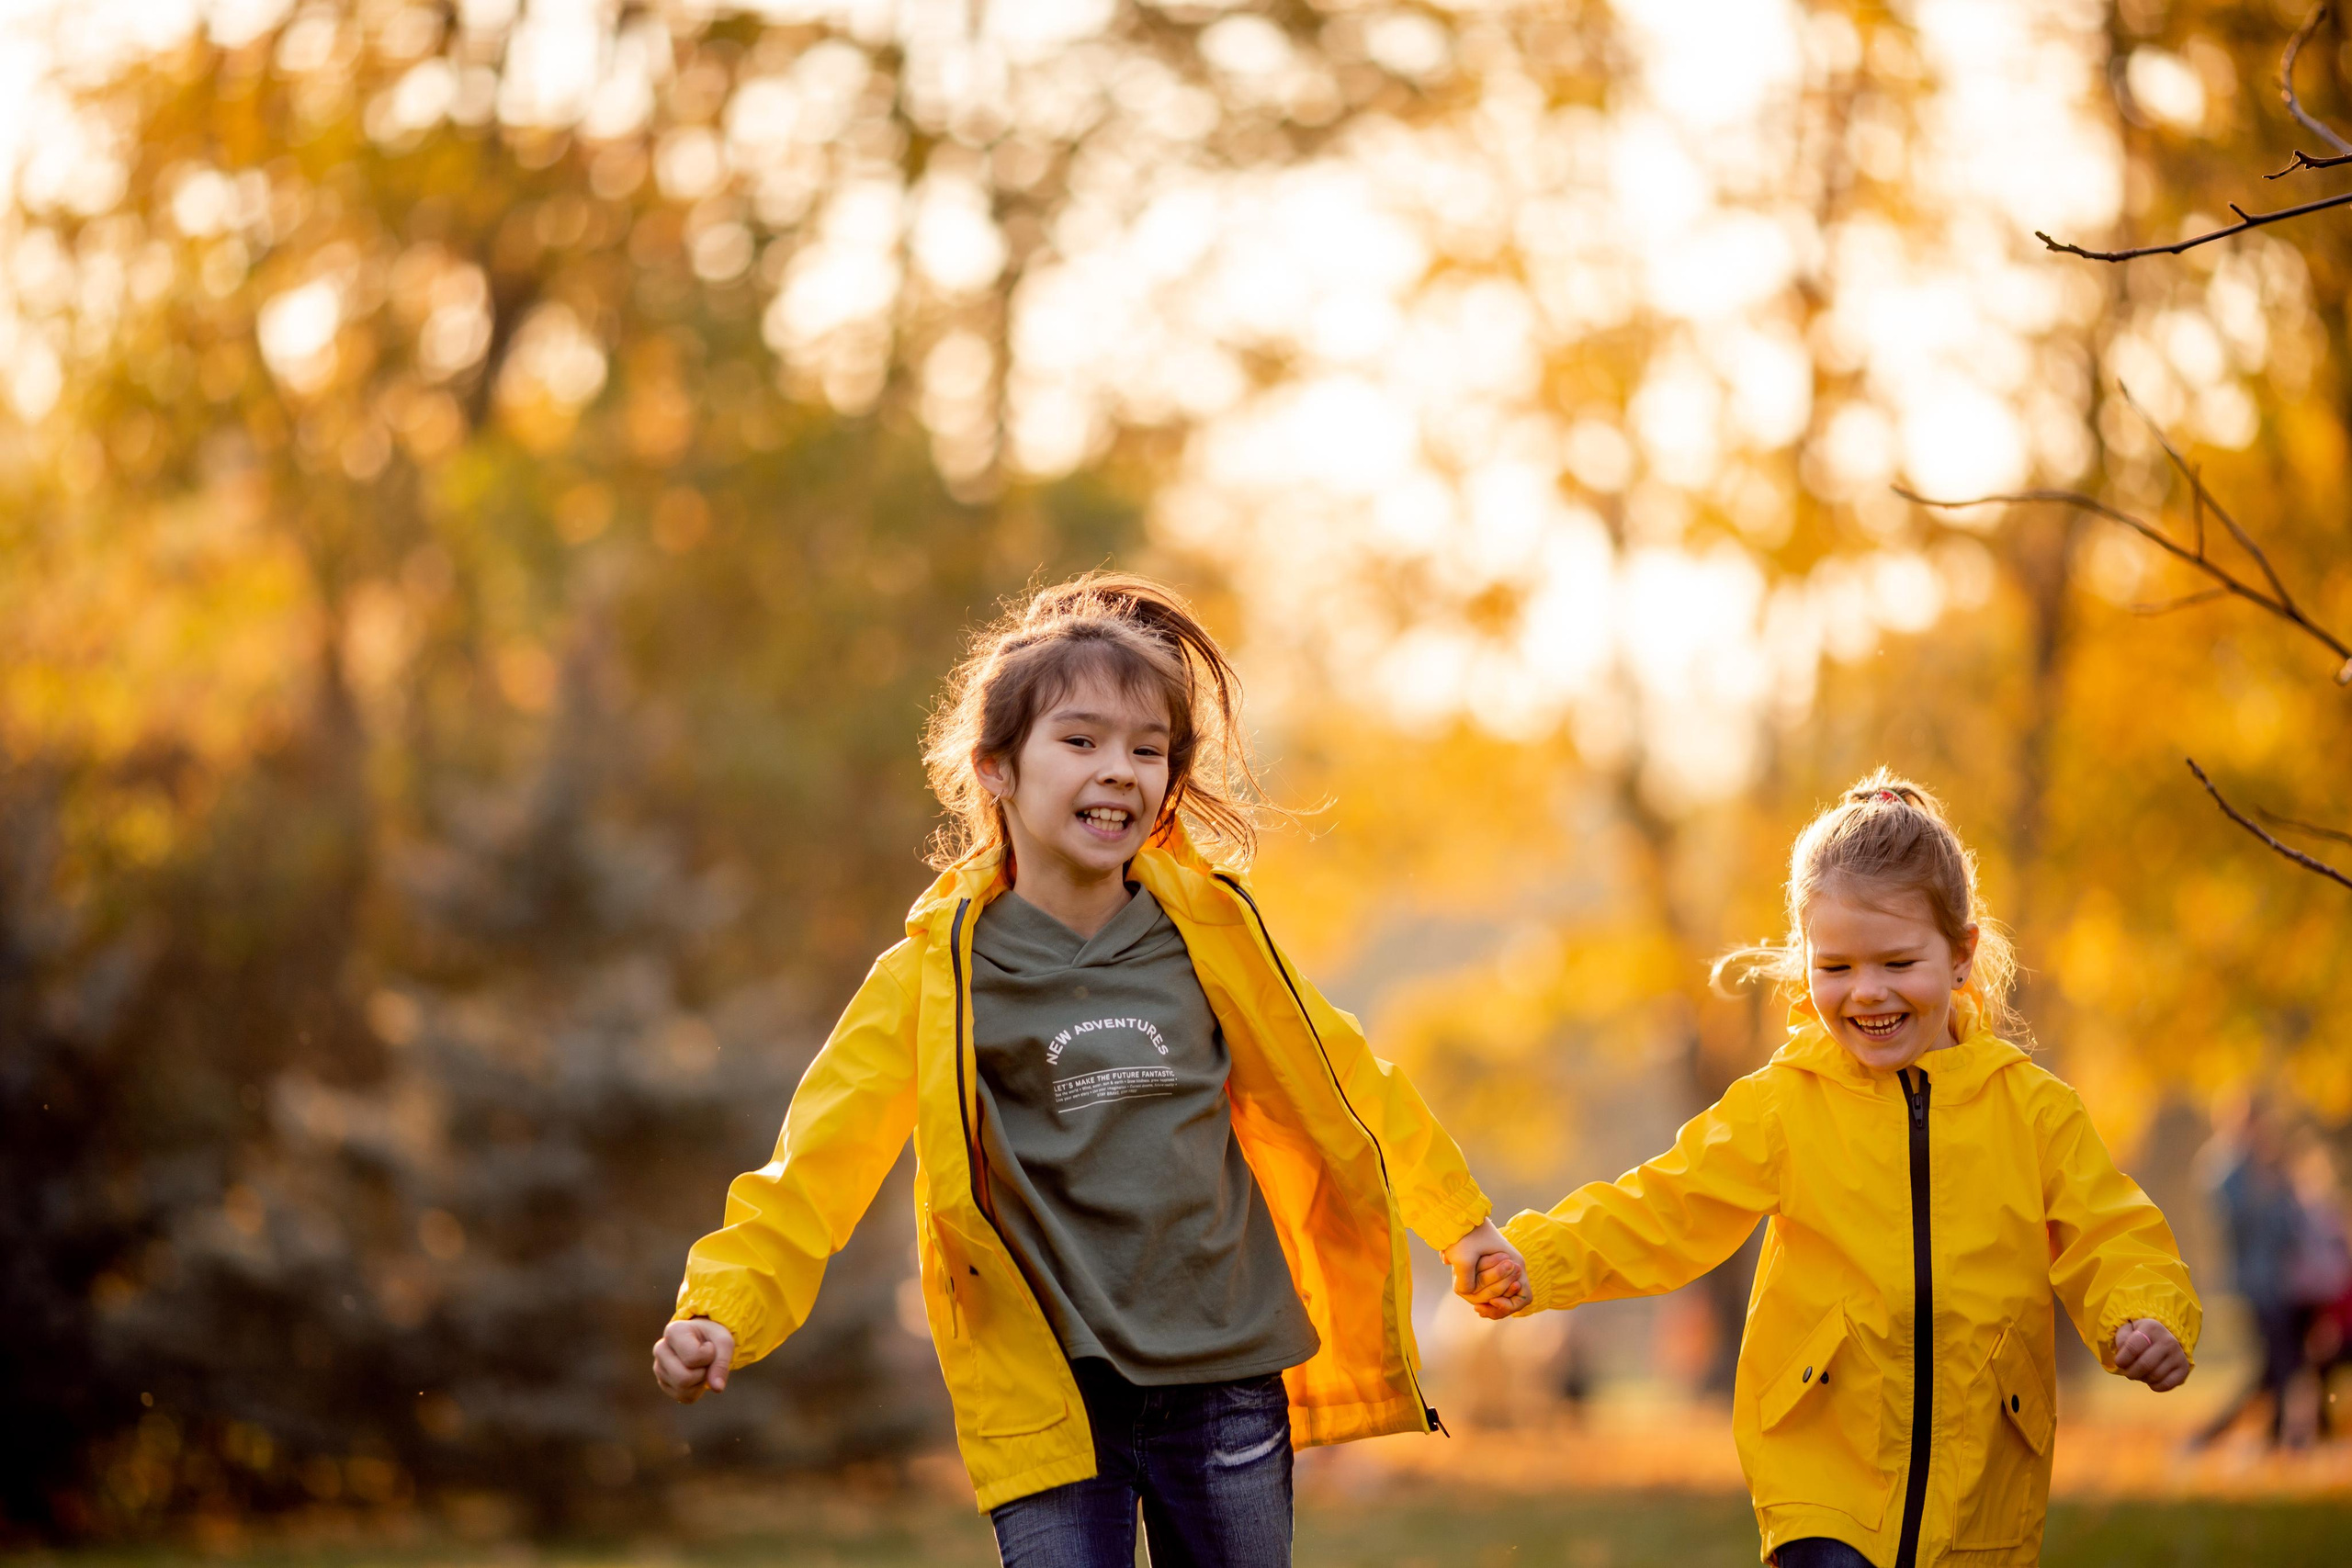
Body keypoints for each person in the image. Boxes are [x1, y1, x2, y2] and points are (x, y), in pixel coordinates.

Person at [650, 574, 1528, 1568]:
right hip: (1050, 1392)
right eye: (1080, 742)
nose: (1119, 771)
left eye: (1146, 751)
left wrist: (1460, 1221)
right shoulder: (934, 978)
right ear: (994, 770)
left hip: (1227, 1381)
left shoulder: (1213, 940)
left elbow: (1348, 1083)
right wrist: (721, 1307)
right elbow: (815, 1162)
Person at [1498, 773, 2199, 1568]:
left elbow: (2113, 1231)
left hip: (1986, 1494)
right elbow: (1665, 1204)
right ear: (1803, 961)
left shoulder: (2033, 1111)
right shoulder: (1783, 1107)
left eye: (1899, 961)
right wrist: (1539, 1259)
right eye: (1834, 967)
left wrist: (2144, 1314)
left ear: (1962, 953)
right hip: (1822, 1482)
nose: (1867, 992)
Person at [2189, 1094, 2310, 1449]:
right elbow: (2230, 1219)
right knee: (2280, 1363)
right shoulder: (2223, 1167)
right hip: (2253, 1283)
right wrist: (2263, 1186)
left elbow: (2290, 1224)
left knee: (2278, 1365)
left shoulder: (2271, 1164)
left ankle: (2271, 1435)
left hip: (2282, 1282)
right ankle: (2274, 1438)